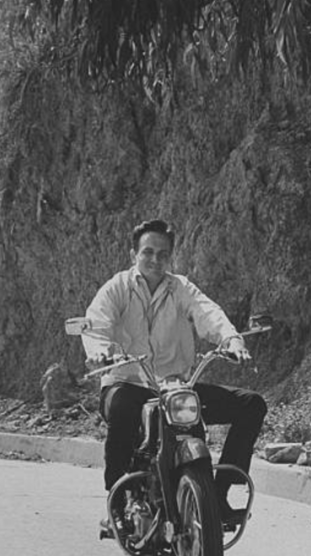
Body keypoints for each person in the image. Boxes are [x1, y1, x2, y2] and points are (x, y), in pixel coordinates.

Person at [82, 218, 267, 534]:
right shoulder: (117, 288)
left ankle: (217, 496)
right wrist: (100, 350)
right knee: (124, 408)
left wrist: (231, 340)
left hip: (174, 386)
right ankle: (120, 501)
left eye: (162, 254)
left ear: (171, 257)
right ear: (134, 255)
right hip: (128, 382)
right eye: (148, 252)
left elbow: (208, 313)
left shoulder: (181, 288)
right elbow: (98, 323)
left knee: (251, 404)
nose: (155, 260)